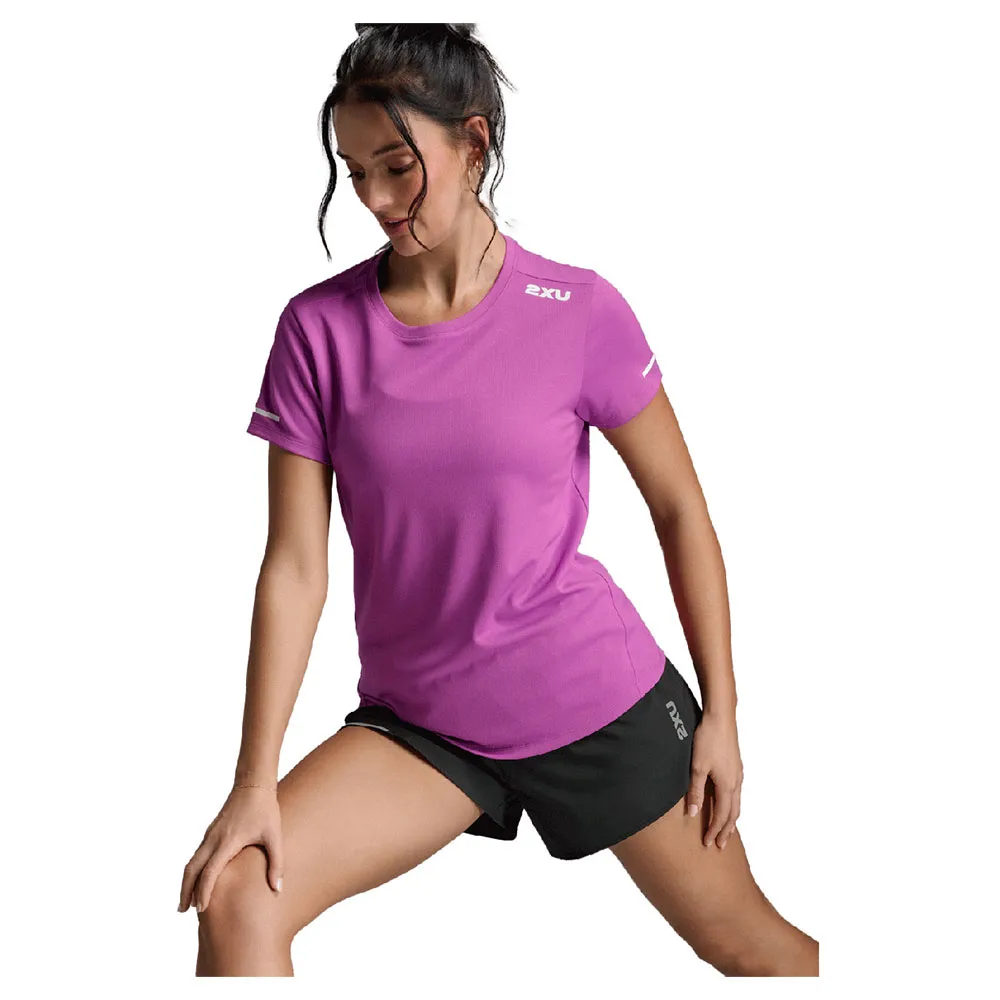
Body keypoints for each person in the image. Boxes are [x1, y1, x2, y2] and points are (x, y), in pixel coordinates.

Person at [178, 22, 819, 978]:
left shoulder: (581, 311)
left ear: (473, 142)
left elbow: (680, 509)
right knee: (238, 895)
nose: (375, 200)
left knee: (751, 948)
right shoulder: (317, 331)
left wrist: (723, 712)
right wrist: (252, 780)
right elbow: (296, 567)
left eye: (398, 167)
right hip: (423, 720)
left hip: (591, 695)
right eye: (355, 173)